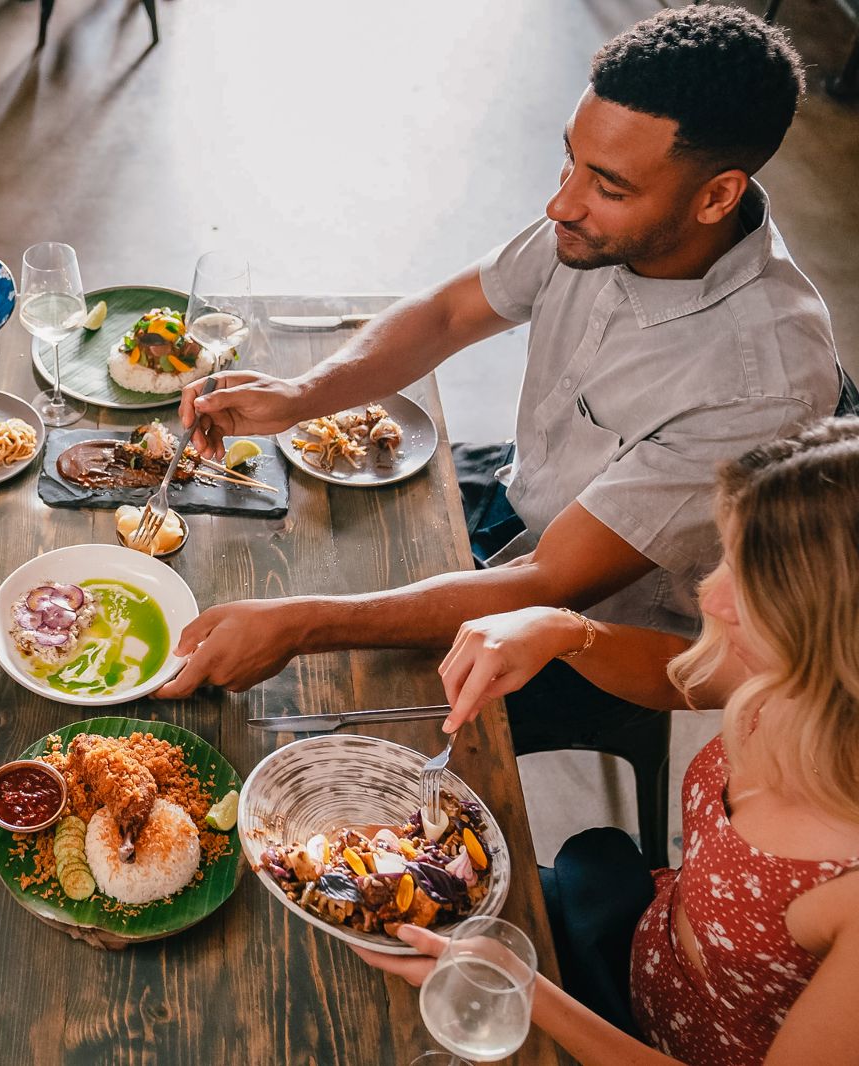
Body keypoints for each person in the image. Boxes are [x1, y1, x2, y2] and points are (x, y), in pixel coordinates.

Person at [157, 6, 849, 756]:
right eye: (570, 162)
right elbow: (453, 312)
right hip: (515, 511)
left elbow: (549, 582)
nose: (561, 203)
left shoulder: (760, 383)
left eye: (607, 185)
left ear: (717, 196)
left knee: (293, 727)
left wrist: (303, 623)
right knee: (287, 546)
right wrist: (303, 395)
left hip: (595, 641)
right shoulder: (601, 218)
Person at [357, 417, 859, 1065]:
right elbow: (681, 676)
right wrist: (563, 631)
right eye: (727, 560)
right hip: (626, 939)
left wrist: (526, 991)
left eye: (755, 584)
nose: (711, 597)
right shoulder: (794, 680)